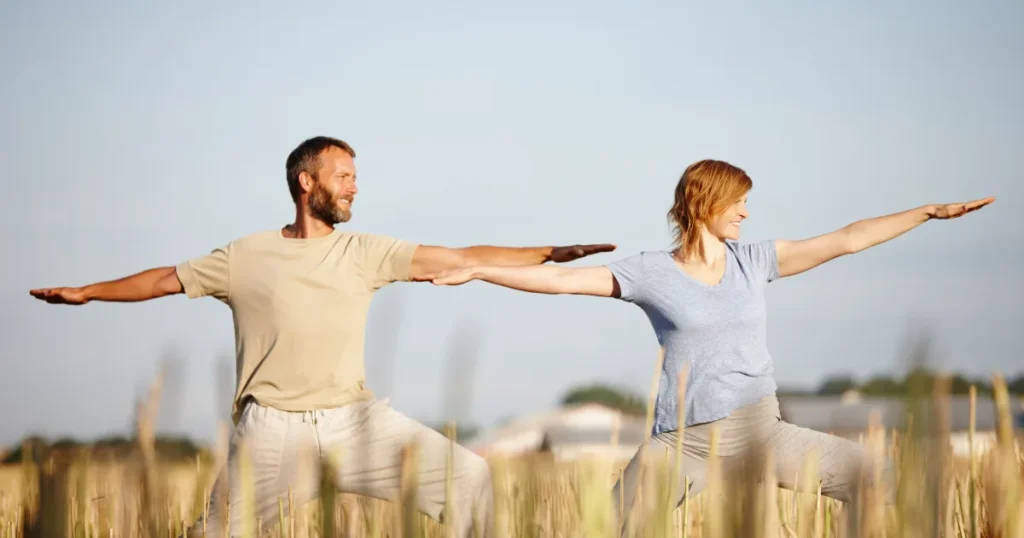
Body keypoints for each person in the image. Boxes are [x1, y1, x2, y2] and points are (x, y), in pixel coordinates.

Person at [28, 136, 616, 538]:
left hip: (354, 423)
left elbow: (459, 254)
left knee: (471, 477)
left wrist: (545, 252)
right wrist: (86, 291)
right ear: (306, 182)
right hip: (271, 433)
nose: (355, 187)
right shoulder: (245, 256)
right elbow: (162, 279)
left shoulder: (365, 252)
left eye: (357, 178)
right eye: (344, 177)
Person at [415, 159, 994, 535]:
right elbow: (562, 281)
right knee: (617, 529)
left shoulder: (755, 260)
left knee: (876, 478)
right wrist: (479, 271)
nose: (747, 211)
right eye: (737, 201)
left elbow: (846, 239)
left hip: (763, 432)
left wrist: (927, 213)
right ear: (704, 204)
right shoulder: (648, 273)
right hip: (684, 444)